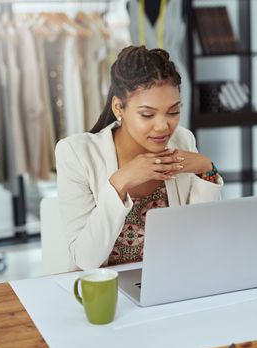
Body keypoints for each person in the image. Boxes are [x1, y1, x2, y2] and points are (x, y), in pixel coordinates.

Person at [56, 45, 223, 271]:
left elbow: (200, 240)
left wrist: (206, 168)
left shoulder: (183, 140)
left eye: (173, 112)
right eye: (147, 114)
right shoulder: (76, 154)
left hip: (172, 281)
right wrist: (120, 182)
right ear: (118, 108)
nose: (164, 126)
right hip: (109, 294)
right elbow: (86, 260)